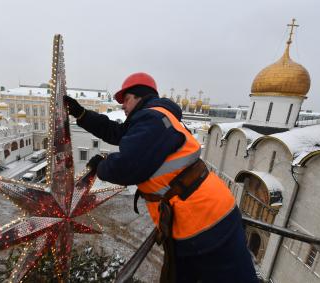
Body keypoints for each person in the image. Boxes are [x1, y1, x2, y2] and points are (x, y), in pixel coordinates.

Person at [63, 72, 258, 283]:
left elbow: (127, 167)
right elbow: (116, 132)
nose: (122, 106)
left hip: (203, 221)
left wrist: (101, 166)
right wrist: (82, 114)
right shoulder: (155, 118)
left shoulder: (152, 120)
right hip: (204, 214)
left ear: (139, 96)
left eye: (125, 99)